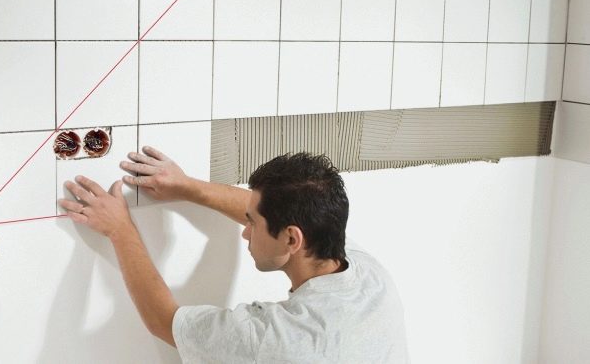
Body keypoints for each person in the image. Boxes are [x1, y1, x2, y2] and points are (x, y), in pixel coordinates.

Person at [58, 146, 408, 363]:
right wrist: (187, 187)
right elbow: (270, 209)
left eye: (252, 223)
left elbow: (165, 322)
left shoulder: (272, 341)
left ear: (291, 239)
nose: (244, 230)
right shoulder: (369, 277)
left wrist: (119, 229)